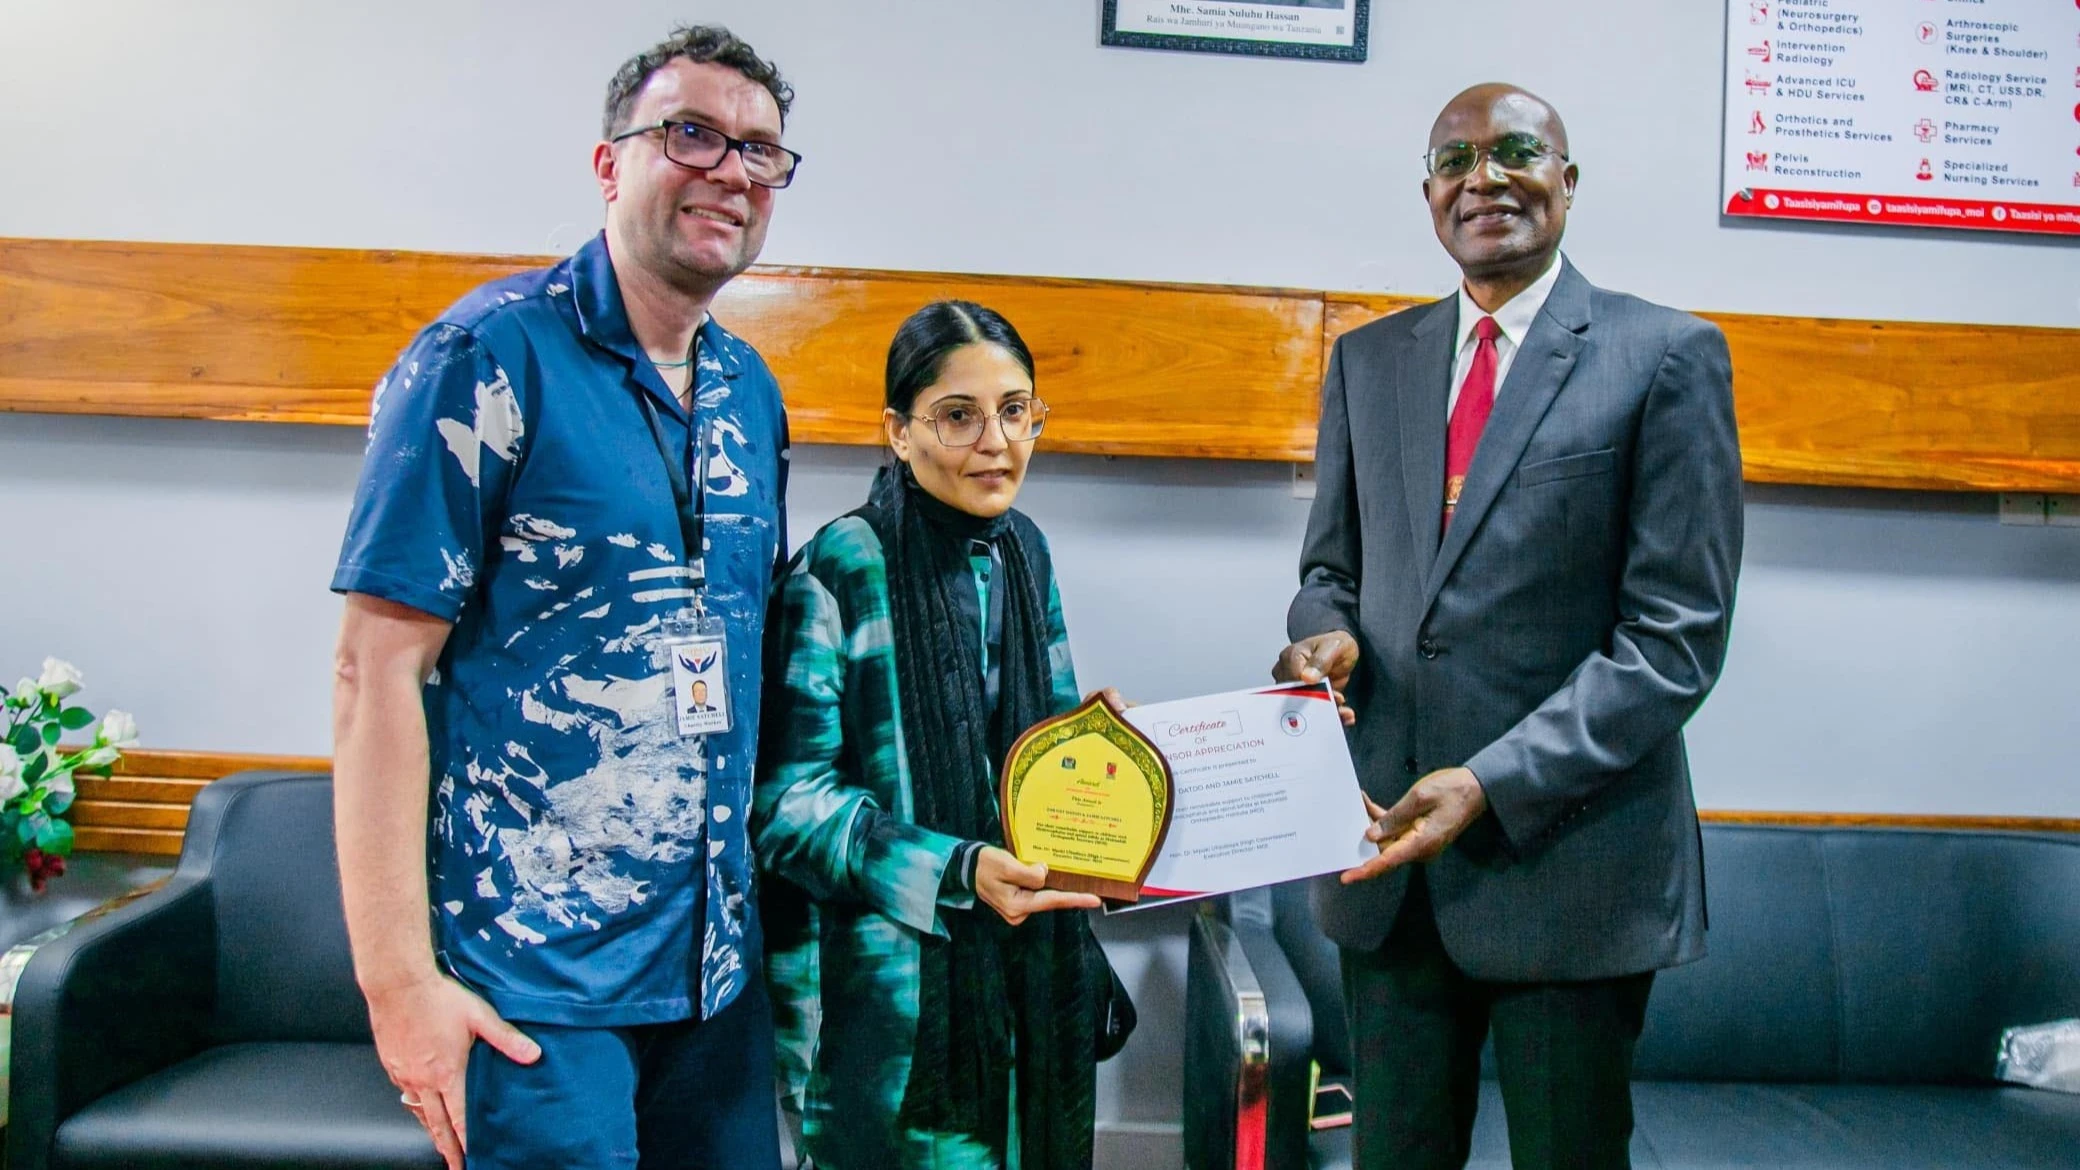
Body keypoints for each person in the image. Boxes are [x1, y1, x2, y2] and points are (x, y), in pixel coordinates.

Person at [329, 24, 800, 1170]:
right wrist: (398, 989)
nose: (729, 171)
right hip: (538, 982)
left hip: (712, 970)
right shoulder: (488, 355)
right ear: (610, 165)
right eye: (690, 134)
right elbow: (374, 669)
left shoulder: (749, 391)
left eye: (760, 151)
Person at [1274, 83, 1742, 1169]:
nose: (1482, 177)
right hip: (1385, 866)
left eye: (1515, 151)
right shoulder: (1369, 359)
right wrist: (1318, 639)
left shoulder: (1664, 355)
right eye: (1452, 161)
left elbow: (1674, 639)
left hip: (1568, 866)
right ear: (1429, 196)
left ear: (1566, 182)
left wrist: (1488, 781)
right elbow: (1329, 570)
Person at [754, 301, 1126, 1169]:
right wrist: (956, 871)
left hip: (1020, 979)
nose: (995, 441)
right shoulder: (841, 566)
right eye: (958, 415)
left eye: (1016, 409)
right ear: (899, 431)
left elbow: (1041, 762)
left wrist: (1110, 760)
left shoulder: (1024, 552)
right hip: (884, 1005)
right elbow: (788, 808)